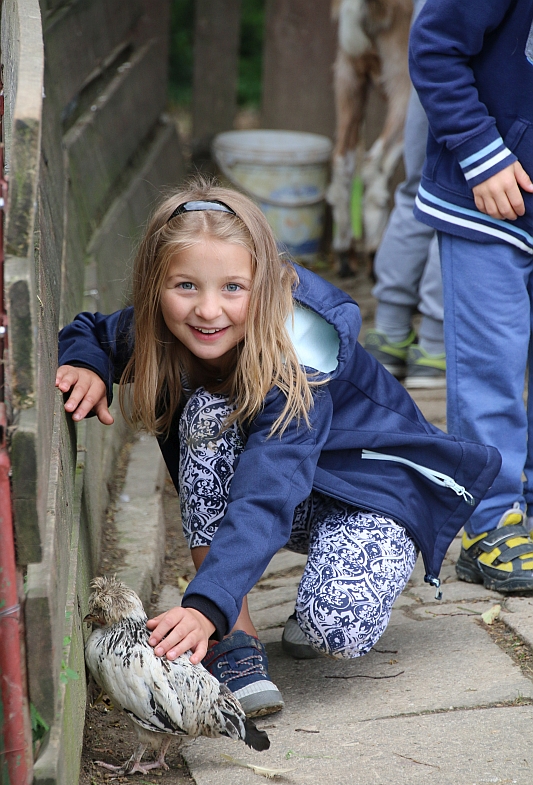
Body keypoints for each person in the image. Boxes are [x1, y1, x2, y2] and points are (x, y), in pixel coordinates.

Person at [56, 179, 500, 718]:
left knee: (336, 626)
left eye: (233, 288)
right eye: (186, 286)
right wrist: (88, 364)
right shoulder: (164, 328)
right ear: (155, 286)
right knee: (209, 413)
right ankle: (234, 641)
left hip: (370, 491)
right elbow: (92, 330)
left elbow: (266, 492)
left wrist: (202, 604)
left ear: (264, 285)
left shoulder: (301, 358)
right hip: (295, 489)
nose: (209, 310)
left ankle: (246, 604)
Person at [409, 0, 533, 592]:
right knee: (492, 369)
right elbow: (434, 48)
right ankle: (491, 524)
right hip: (490, 202)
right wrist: (482, 155)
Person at [364, 0, 445, 390]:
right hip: (482, 54)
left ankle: (390, 335)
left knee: (418, 189)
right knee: (468, 204)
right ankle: (435, 346)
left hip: (432, 34)